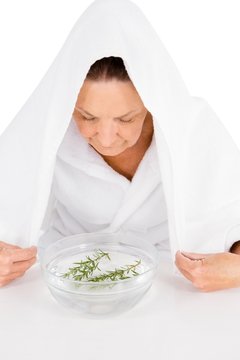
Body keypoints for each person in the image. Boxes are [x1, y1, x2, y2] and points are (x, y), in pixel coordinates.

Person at [1, 0, 240, 292]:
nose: (105, 138)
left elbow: (232, 217)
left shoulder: (193, 128)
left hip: (169, 286)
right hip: (65, 282)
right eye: (87, 116)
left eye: (126, 119)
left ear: (152, 101)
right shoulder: (46, 127)